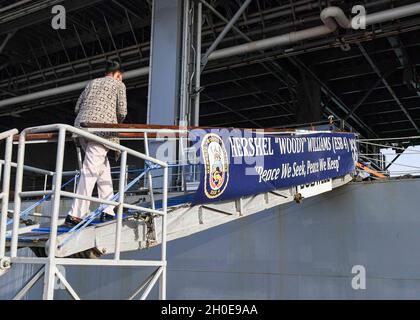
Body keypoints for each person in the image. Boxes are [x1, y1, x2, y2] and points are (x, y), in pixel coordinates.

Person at [64, 60, 127, 227]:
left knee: (102, 169)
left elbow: (77, 107)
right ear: (118, 75)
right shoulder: (119, 85)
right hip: (101, 131)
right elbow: (122, 111)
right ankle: (76, 213)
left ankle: (108, 210)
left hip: (82, 129)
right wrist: (114, 121)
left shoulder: (92, 82)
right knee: (91, 170)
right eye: (121, 77)